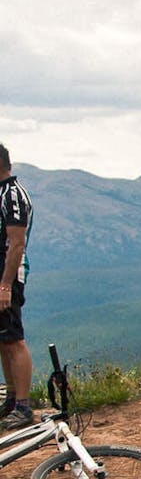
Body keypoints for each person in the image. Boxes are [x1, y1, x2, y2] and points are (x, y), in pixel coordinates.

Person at [0, 144, 34, 428]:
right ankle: (11, 399)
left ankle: (23, 406)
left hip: (6, 278)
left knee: (13, 339)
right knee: (2, 339)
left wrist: (5, 285)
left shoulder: (13, 196)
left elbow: (17, 244)